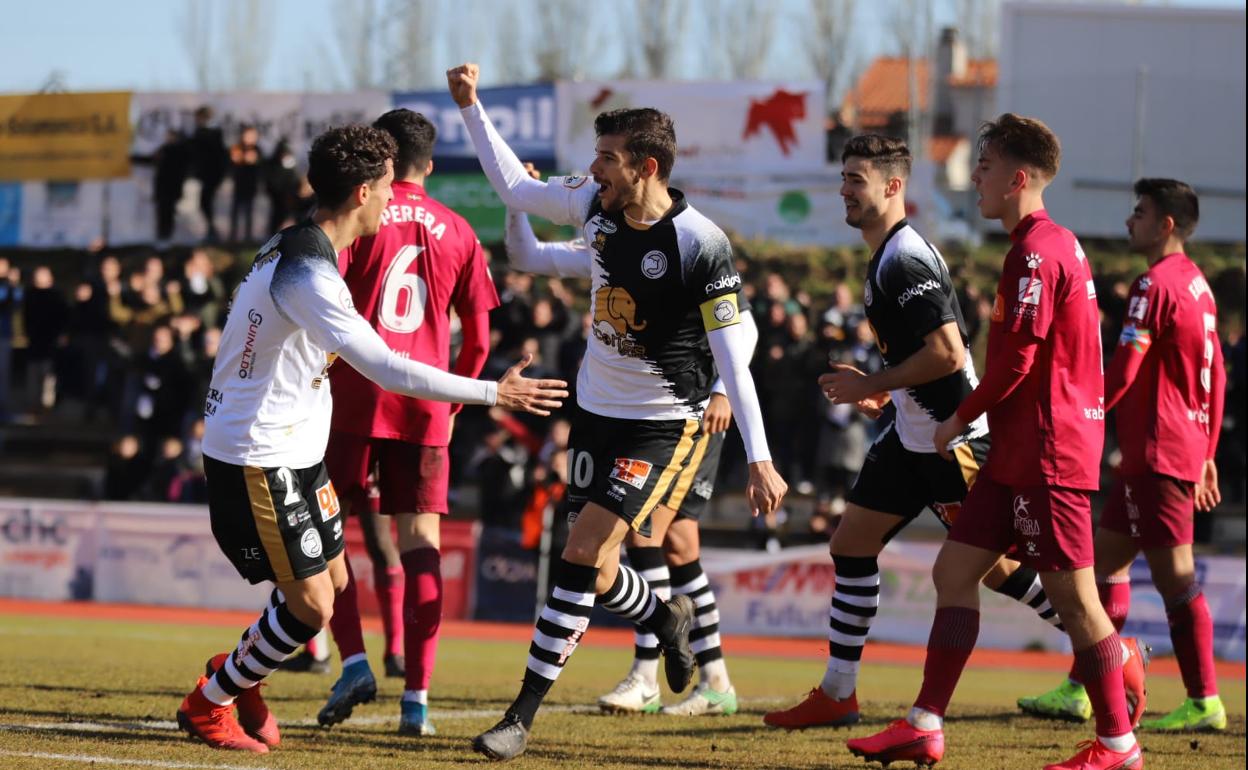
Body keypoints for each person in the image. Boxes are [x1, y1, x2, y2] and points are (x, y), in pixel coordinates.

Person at [174, 123, 568, 754]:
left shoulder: (299, 245)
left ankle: (241, 671)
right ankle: (209, 701)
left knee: (329, 592)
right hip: (258, 456)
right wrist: (495, 392)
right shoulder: (310, 276)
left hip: (297, 455)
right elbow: (386, 367)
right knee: (307, 612)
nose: (395, 198)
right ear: (362, 192)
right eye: (388, 187)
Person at [448, 62, 787, 762]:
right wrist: (473, 106)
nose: (592, 169)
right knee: (599, 570)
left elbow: (733, 351)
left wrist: (759, 456)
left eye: (606, 159)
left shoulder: (702, 244)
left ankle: (520, 717)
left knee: (579, 552)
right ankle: (664, 617)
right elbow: (516, 189)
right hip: (594, 415)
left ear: (647, 166)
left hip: (665, 424)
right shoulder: (595, 206)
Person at [845, 115, 1144, 770]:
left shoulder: (1036, 251)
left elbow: (1020, 360)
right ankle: (925, 724)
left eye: (983, 167)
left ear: (1016, 179)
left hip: (1048, 452)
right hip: (1019, 453)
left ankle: (1119, 745)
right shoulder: (1048, 245)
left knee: (1076, 601)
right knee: (954, 571)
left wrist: (960, 417)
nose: (973, 176)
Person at [763, 135, 1068, 731]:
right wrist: (887, 392)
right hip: (910, 436)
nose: (845, 190)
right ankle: (839, 693)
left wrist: (871, 382)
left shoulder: (904, 258)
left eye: (857, 179)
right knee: (851, 544)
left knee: (997, 569)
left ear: (893, 186)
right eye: (844, 178)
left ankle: (1106, 647)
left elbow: (949, 355)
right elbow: (925, 361)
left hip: (952, 443)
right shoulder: (885, 255)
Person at [504, 201, 757, 717]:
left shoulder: (690, 249)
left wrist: (722, 393)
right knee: (667, 543)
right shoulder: (610, 243)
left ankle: (653, 674)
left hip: (685, 417)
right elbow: (528, 254)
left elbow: (743, 330)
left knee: (650, 537)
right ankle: (708, 676)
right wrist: (517, 203)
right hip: (624, 418)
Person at [316, 108, 502, 737]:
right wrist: (452, 407)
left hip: (351, 403)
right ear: (430, 160)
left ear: (382, 159)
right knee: (421, 544)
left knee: (328, 534)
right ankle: (416, 699)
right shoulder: (461, 231)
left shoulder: (358, 216)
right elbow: (478, 340)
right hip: (426, 409)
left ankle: (354, 662)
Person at [1018, 179, 1227, 732]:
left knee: (1176, 579)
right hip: (1168, 449)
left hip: (1157, 450)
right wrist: (1207, 451)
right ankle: (1080, 688)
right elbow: (1218, 377)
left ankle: (1204, 700)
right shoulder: (1199, 288)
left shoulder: (1153, 284)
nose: (1129, 220)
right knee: (1102, 567)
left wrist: (1081, 410)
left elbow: (1126, 369)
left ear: (1165, 225)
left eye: (1139, 212)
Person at [190, 106, 228, 243]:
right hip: (205, 175)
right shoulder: (200, 132)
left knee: (206, 201)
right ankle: (211, 230)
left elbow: (218, 155)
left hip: (212, 174)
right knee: (205, 202)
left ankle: (212, 231)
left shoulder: (213, 133)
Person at [229, 125, 262, 243]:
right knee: (235, 211)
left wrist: (254, 160)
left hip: (251, 185)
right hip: (239, 184)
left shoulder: (257, 149)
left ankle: (248, 237)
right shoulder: (237, 147)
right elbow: (232, 162)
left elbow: (259, 164)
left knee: (249, 211)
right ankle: (233, 236)